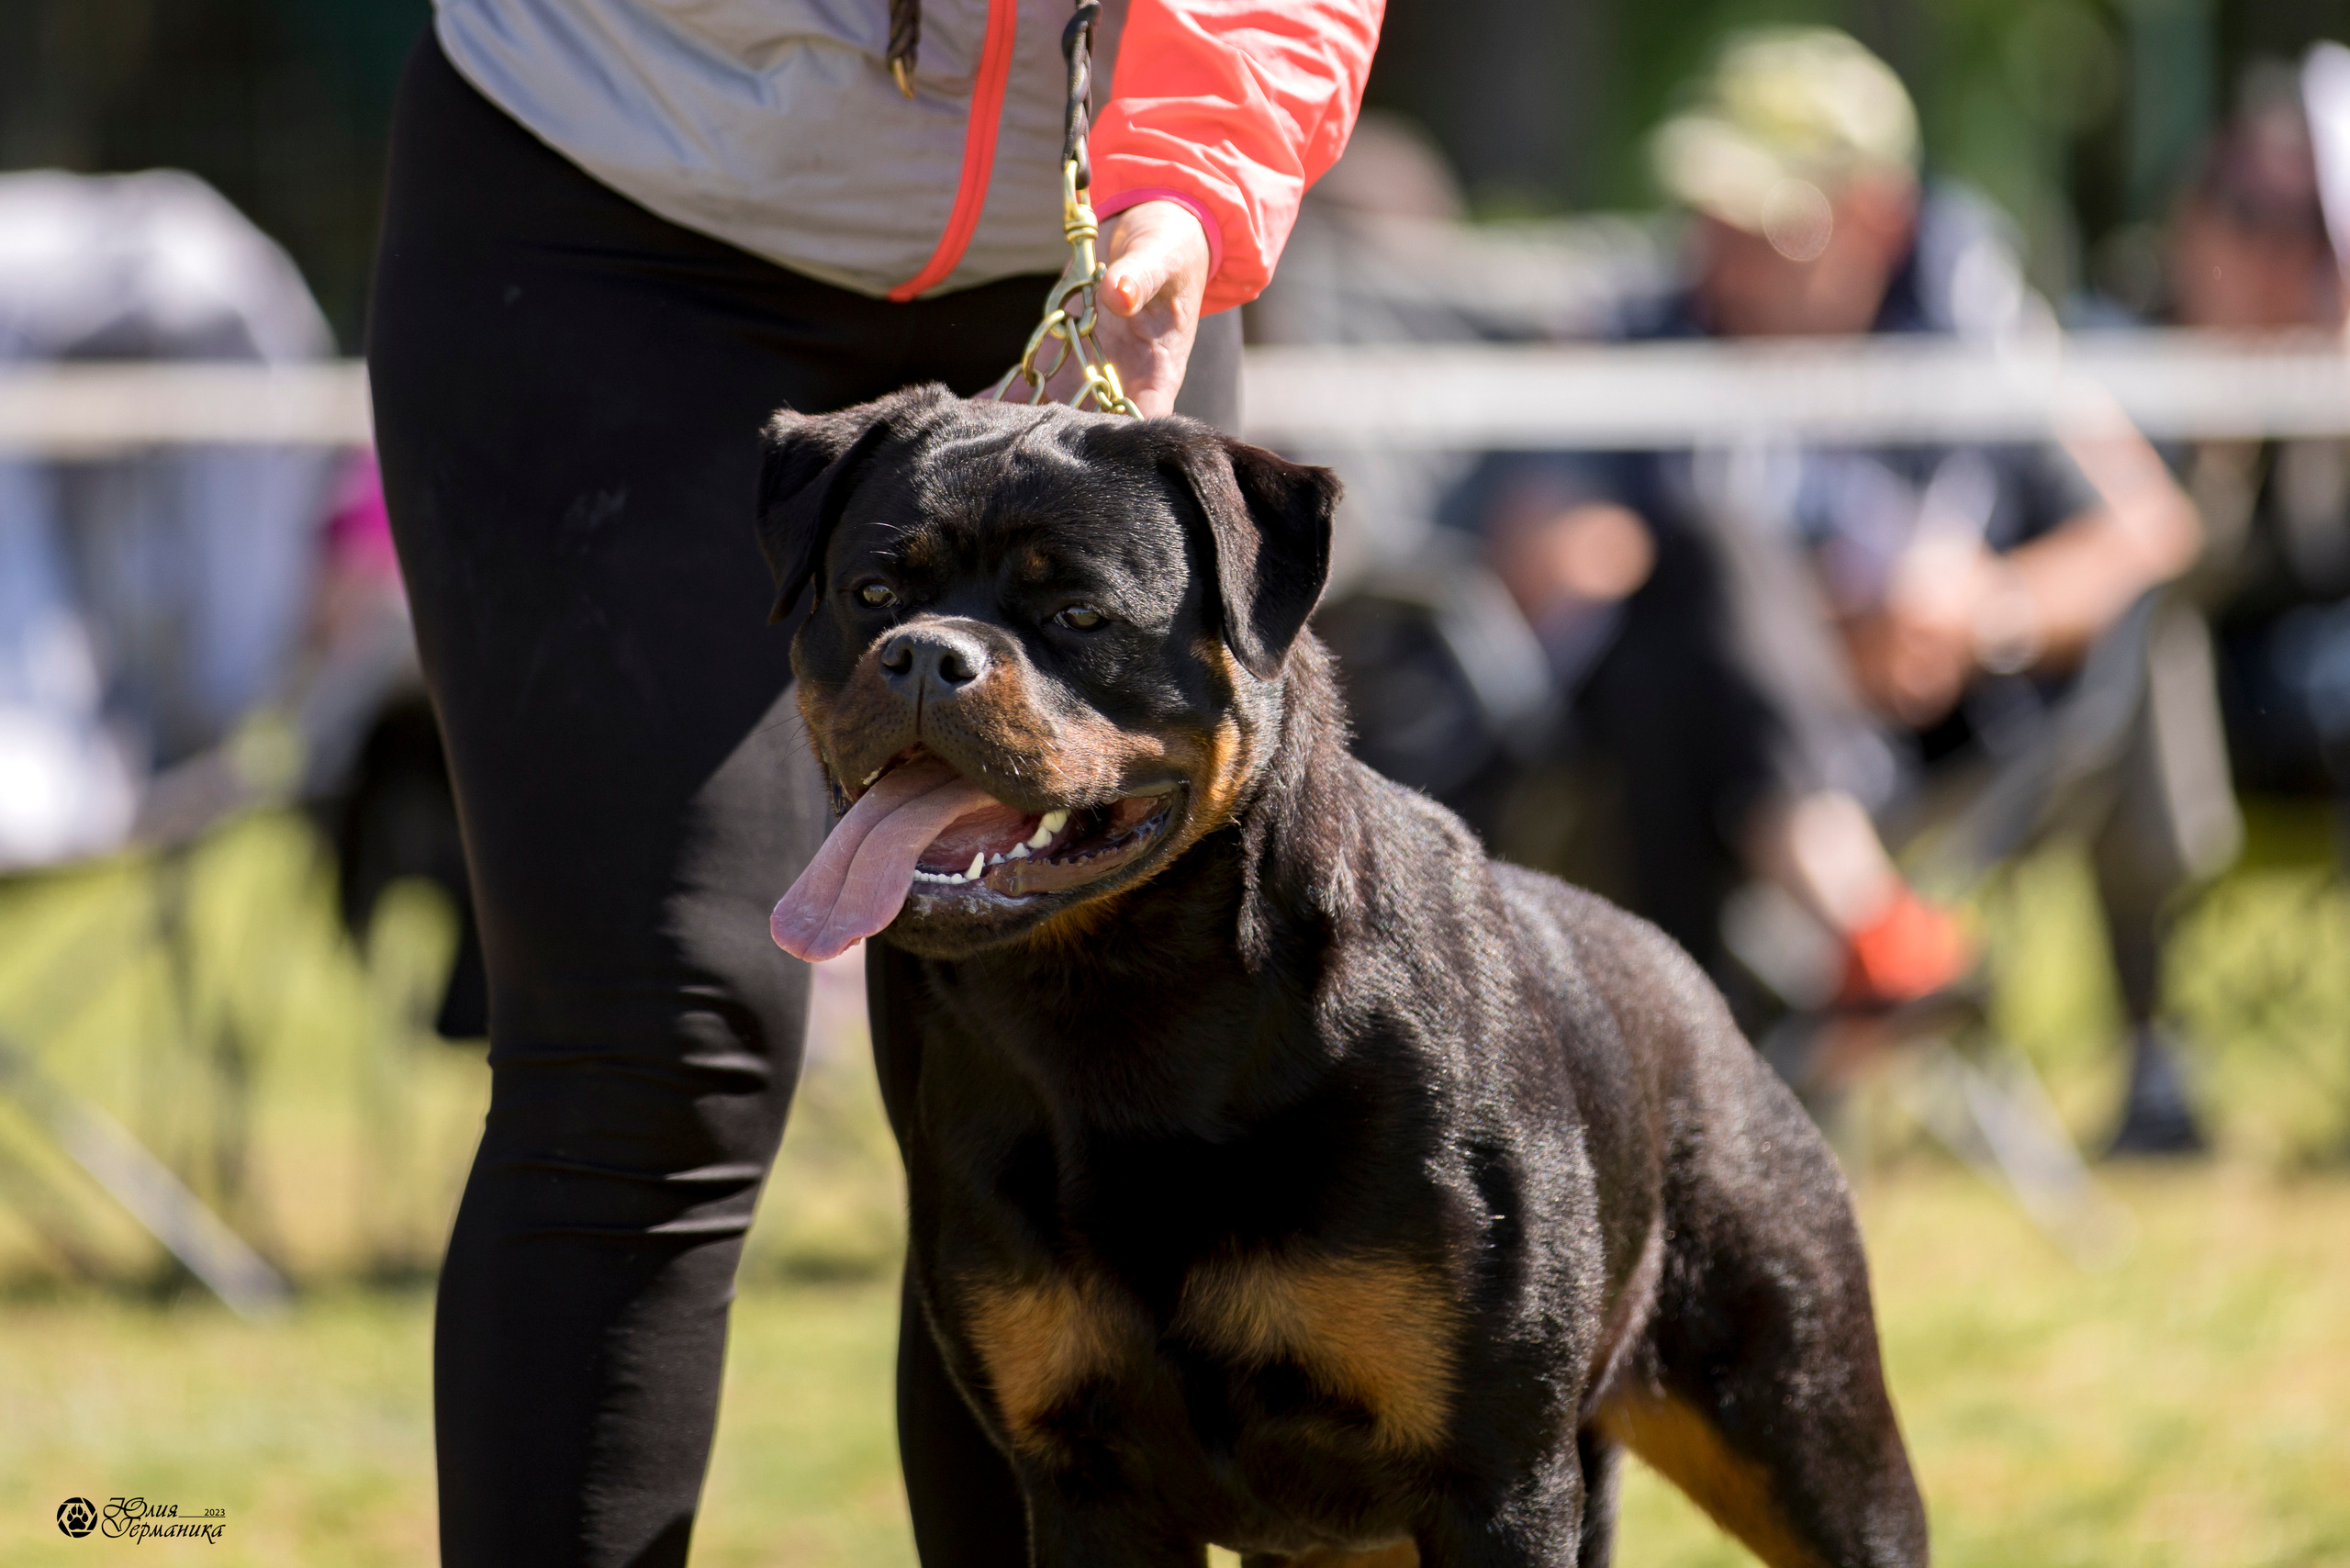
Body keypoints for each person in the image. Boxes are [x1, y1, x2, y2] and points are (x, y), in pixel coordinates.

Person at [364, 3, 1380, 1563]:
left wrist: (1187, 178)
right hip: (615, 206)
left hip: (1112, 219)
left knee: (1072, 1104)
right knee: (646, 1058)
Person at [1444, 30, 2231, 1138]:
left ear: (1876, 219)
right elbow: (1548, 560)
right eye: (1709, 212)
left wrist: (1984, 612)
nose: (1724, 250)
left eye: (1770, 222)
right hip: (1674, 736)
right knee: (1707, 558)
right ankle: (1865, 935)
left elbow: (2147, 525)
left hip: (1919, 747)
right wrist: (1804, 632)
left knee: (1710, 575)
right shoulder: (1630, 329)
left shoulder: (1973, 331)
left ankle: (1710, 1066)